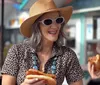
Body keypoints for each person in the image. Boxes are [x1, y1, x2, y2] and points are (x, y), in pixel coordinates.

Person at [1, 0, 84, 85]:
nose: (55, 26)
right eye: (48, 21)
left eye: (58, 20)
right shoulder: (17, 51)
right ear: (36, 26)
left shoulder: (67, 55)